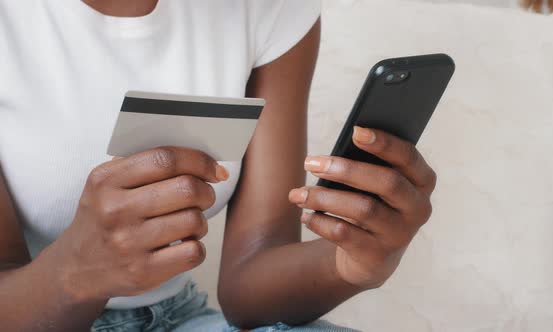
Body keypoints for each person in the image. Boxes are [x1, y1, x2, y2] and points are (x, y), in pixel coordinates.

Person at [0, 1, 437, 331]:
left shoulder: (269, 8)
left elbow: (250, 289)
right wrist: (75, 274)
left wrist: (348, 265)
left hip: (179, 317)